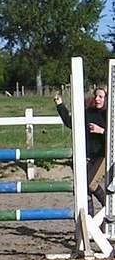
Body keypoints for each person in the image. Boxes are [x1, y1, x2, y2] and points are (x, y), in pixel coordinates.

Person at [53, 88, 107, 217]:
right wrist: (60, 105)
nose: (97, 99)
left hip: (103, 156)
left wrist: (102, 131)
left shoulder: (109, 115)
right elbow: (71, 122)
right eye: (95, 96)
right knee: (83, 188)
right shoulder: (88, 113)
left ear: (106, 99)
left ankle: (109, 206)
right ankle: (90, 221)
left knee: (91, 183)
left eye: (100, 96)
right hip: (87, 156)